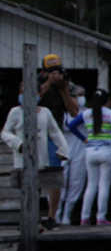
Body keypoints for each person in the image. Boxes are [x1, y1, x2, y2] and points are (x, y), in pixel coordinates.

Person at [2, 81, 71, 228]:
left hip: (41, 158)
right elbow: (5, 132)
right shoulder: (15, 112)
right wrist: (17, 143)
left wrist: (63, 149)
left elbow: (55, 131)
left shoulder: (45, 112)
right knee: (26, 189)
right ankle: (26, 220)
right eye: (22, 93)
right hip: (23, 159)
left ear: (39, 95)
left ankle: (35, 219)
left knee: (38, 187)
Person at [67, 89, 111, 226]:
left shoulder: (86, 114)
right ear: (107, 100)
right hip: (108, 151)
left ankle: (84, 217)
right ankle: (101, 217)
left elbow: (71, 125)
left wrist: (84, 139)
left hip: (91, 151)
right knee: (104, 185)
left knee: (91, 185)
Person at [37, 54, 79, 228]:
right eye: (51, 72)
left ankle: (52, 215)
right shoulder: (36, 82)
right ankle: (31, 212)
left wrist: (62, 89)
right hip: (35, 133)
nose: (55, 75)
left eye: (57, 71)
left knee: (54, 174)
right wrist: (47, 85)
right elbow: (27, 102)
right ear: (44, 73)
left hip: (54, 134)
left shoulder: (68, 85)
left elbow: (75, 112)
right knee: (33, 174)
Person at [57, 83, 89, 225]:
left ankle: (67, 215)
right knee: (60, 181)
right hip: (63, 148)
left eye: (82, 96)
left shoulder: (86, 112)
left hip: (80, 149)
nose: (80, 99)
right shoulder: (61, 112)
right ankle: (56, 213)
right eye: (77, 96)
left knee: (76, 181)